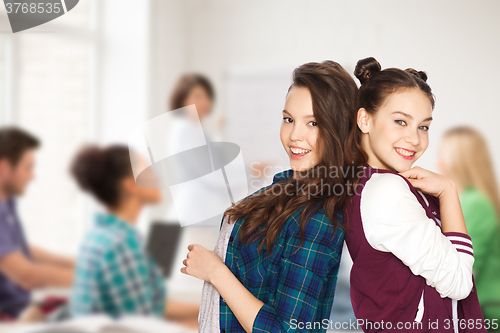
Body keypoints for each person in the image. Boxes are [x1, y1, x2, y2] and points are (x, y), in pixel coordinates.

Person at [181, 60, 359, 332]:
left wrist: (215, 273)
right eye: (288, 119)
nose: (294, 135)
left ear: (338, 130)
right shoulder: (285, 186)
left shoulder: (318, 218)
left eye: (313, 123)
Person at [343, 57, 488, 332]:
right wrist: (448, 191)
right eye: (400, 121)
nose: (415, 139)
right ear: (364, 119)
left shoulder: (369, 183)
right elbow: (459, 283)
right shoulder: (386, 190)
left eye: (423, 126)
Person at [69, 144, 199, 327]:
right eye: (147, 172)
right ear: (131, 185)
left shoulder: (101, 235)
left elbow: (155, 307)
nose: (157, 178)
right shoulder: (121, 244)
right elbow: (143, 325)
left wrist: (207, 312)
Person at [0, 126, 74, 320]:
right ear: (4, 167)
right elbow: (27, 276)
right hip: (9, 316)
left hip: (21, 308)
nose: (32, 176)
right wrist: (93, 279)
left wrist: (77, 263)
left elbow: (19, 250)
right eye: (28, 167)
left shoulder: (7, 204)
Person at [438, 126, 500, 331]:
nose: (438, 161)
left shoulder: (476, 204)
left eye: (442, 154)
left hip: (485, 314)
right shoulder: (472, 200)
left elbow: (464, 267)